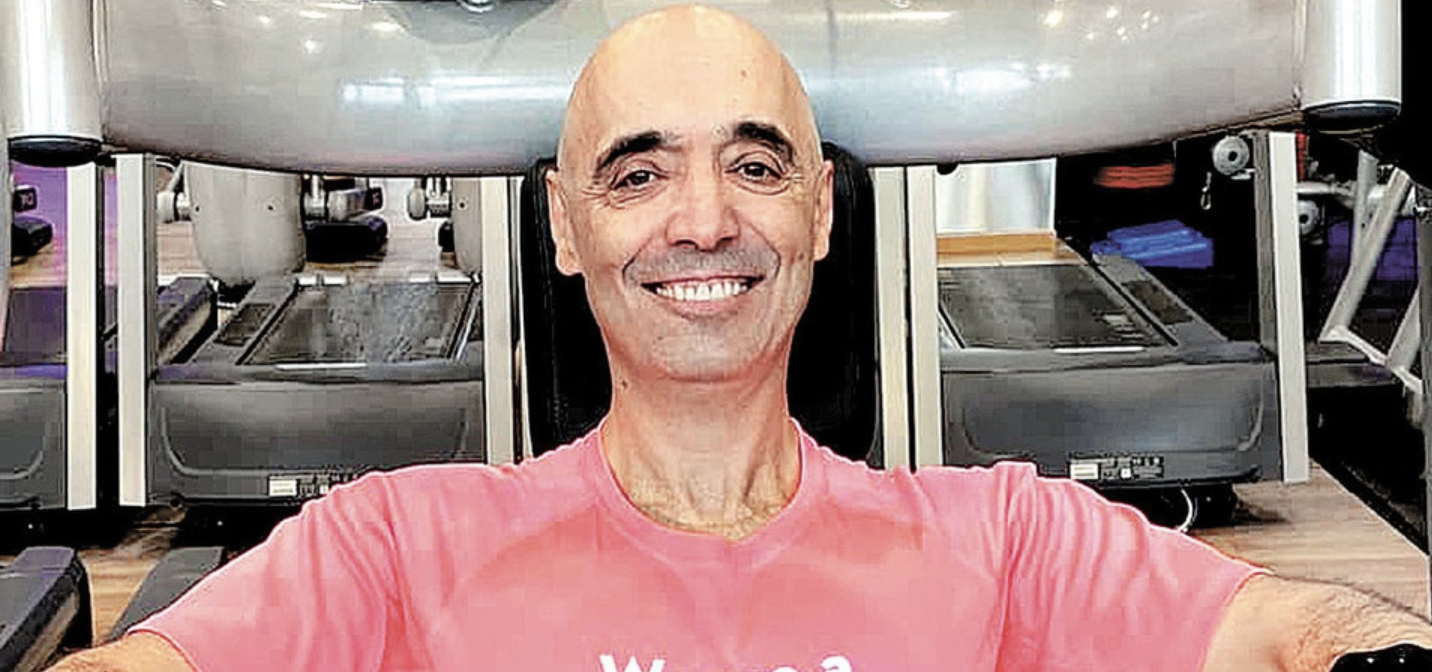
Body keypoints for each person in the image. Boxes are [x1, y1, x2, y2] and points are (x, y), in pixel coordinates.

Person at [48, 5, 1432, 672]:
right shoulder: (395, 544)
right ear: (565, 225)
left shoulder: (1010, 537)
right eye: (639, 173)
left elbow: (1288, 627)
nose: (703, 221)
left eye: (756, 167)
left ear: (821, 210)